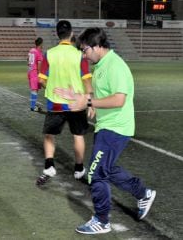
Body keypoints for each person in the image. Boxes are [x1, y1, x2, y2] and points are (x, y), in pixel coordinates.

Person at [55, 27, 156, 234]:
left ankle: (101, 220)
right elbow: (100, 94)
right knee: (106, 168)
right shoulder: (101, 65)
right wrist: (80, 97)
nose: (84, 54)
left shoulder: (115, 66)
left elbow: (119, 99)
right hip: (106, 126)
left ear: (97, 46)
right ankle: (143, 193)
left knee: (96, 173)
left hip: (117, 127)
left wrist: (89, 101)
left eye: (85, 50)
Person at [36, 20, 93, 185]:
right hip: (76, 103)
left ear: (57, 34)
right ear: (72, 34)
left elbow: (41, 80)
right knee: (78, 135)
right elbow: (87, 80)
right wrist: (89, 102)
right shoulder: (79, 55)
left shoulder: (49, 54)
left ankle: (49, 166)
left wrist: (53, 86)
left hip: (55, 103)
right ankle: (79, 169)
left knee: (49, 135)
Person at [27, 37, 44, 112]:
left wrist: (30, 64)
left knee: (35, 89)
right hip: (35, 72)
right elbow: (39, 63)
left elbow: (27, 59)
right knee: (34, 90)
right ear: (40, 44)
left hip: (30, 71)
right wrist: (39, 74)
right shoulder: (38, 52)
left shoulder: (31, 50)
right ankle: (33, 107)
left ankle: (33, 104)